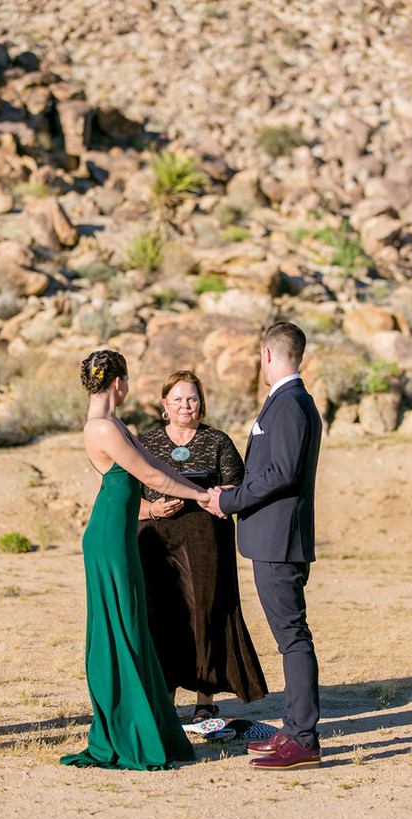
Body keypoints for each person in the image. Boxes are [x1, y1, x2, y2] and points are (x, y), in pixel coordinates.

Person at [60, 350, 214, 771]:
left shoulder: (112, 425)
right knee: (120, 626)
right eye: (126, 381)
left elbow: (156, 467)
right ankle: (125, 729)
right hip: (108, 539)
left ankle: (145, 721)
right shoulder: (101, 428)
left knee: (131, 623)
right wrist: (203, 495)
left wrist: (195, 491)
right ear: (117, 383)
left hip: (118, 534)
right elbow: (151, 477)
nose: (128, 388)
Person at [205, 322, 322, 770]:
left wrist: (227, 500)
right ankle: (293, 730)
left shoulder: (290, 403)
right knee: (289, 637)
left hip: (280, 541)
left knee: (292, 639)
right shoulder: (288, 401)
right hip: (273, 537)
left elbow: (281, 474)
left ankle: (304, 740)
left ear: (268, 355)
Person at [136, 370, 268, 723]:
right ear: (165, 405)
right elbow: (125, 500)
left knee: (205, 614)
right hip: (157, 545)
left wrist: (217, 496)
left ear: (201, 404)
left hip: (207, 543)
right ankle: (166, 697)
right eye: (177, 399)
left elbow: (239, 489)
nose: (185, 405)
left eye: (191, 398)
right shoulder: (145, 445)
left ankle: (204, 699)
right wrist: (152, 509)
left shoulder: (219, 442)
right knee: (163, 617)